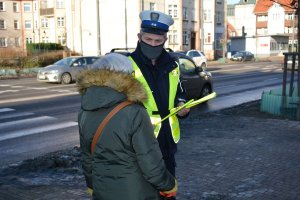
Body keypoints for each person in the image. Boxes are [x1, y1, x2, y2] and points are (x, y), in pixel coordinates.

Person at [76, 53, 177, 200]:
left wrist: (92, 186)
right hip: (136, 192)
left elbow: (87, 158)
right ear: (126, 76)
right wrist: (168, 185)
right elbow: (149, 162)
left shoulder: (84, 111)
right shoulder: (134, 111)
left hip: (102, 191)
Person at [128, 10, 190, 199]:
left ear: (165, 39)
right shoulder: (127, 64)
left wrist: (182, 105)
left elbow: (180, 93)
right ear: (139, 37)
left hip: (167, 141)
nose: (153, 44)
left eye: (158, 41)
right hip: (139, 140)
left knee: (168, 189)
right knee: (144, 190)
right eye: (148, 40)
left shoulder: (172, 63)